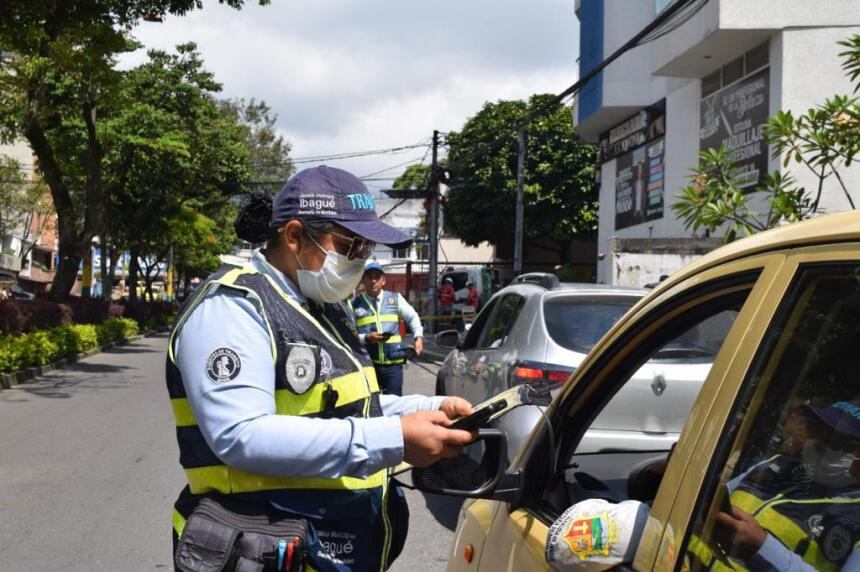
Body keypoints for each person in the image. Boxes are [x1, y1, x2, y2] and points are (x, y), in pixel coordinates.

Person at [166, 166, 475, 571]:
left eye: (366, 249)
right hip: (259, 547)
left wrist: (425, 408)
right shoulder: (233, 306)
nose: (360, 260)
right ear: (295, 236)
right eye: (350, 246)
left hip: (324, 547)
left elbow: (352, 407)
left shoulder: (321, 305)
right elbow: (241, 434)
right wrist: (393, 438)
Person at [697, 401, 860, 571]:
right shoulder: (775, 466)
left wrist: (762, 549)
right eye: (816, 429)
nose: (818, 441)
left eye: (836, 440)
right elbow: (714, 502)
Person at [352, 262, 424, 396]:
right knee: (371, 408)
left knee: (394, 406)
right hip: (368, 366)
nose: (373, 280)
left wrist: (418, 337)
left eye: (377, 277)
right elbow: (349, 334)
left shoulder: (395, 299)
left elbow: (413, 317)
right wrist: (366, 338)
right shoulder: (355, 303)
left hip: (393, 366)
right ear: (363, 280)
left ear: (383, 281)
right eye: (369, 277)